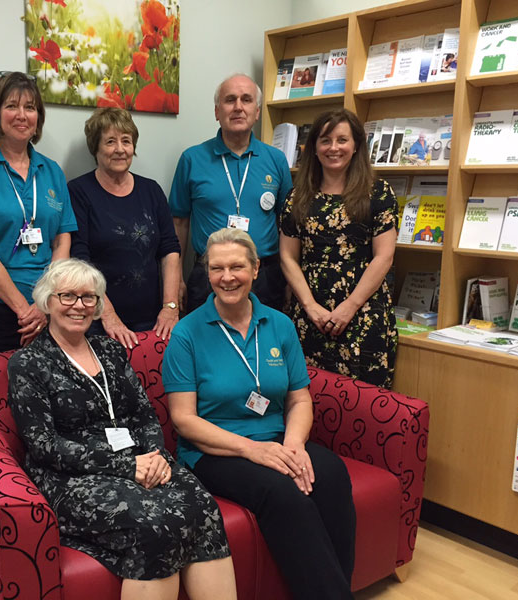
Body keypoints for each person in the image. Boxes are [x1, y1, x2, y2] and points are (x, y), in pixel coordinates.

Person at [8, 259, 236, 600]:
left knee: (202, 506)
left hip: (140, 459)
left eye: (88, 298)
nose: (78, 306)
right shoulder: (28, 363)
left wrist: (155, 454)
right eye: (67, 296)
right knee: (152, 524)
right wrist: (128, 467)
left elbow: (144, 413)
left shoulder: (111, 351)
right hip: (70, 476)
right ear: (47, 302)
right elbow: (44, 445)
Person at [162, 228, 356, 599]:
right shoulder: (186, 333)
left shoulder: (280, 325)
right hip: (213, 451)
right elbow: (183, 419)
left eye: (237, 266)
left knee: (330, 474)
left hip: (277, 438)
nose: (227, 277)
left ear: (255, 269)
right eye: (216, 268)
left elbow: (300, 399)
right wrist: (252, 450)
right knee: (283, 493)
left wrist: (295, 445)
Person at [0, 71, 76, 364]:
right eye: (11, 106)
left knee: (50, 396)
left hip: (49, 306)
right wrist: (24, 309)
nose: (21, 115)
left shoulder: (51, 171)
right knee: (0, 398)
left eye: (30, 107)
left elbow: (62, 240)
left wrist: (44, 301)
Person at [279, 108, 398, 388]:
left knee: (363, 406)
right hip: (309, 316)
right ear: (314, 149)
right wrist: (310, 307)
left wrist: (349, 307)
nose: (334, 148)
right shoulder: (297, 196)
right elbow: (287, 256)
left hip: (364, 316)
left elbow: (384, 256)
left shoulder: (378, 193)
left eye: (342, 140)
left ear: (356, 145)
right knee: (307, 399)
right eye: (325, 140)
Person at [169, 73, 292, 314]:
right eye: (230, 100)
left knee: (262, 345)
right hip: (210, 275)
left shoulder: (276, 160)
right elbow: (179, 223)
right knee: (207, 347)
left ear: (257, 111)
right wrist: (177, 280)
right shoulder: (192, 159)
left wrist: (289, 277)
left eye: (246, 100)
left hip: (265, 276)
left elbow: (287, 224)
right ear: (217, 112)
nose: (238, 107)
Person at [68, 107, 181, 348]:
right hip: (98, 320)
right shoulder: (78, 192)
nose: (120, 149)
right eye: (110, 141)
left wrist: (170, 307)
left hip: (154, 321)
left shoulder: (151, 191)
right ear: (95, 148)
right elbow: (80, 260)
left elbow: (170, 250)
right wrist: (108, 316)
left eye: (126, 141)